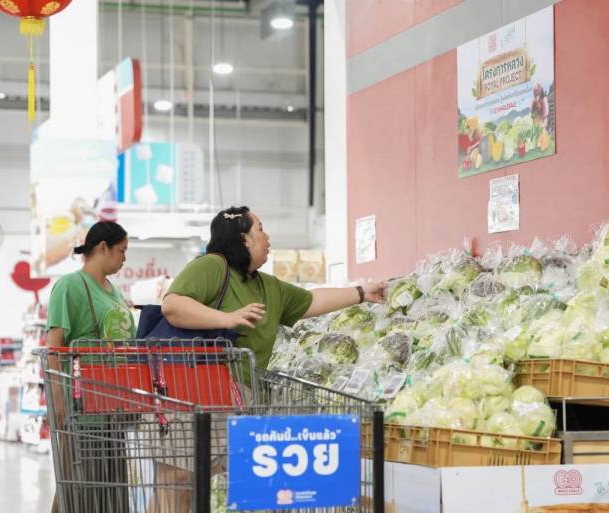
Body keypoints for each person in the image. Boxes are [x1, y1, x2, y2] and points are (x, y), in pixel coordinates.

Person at [148, 205, 386, 511]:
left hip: (234, 400)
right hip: (190, 391)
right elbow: (173, 305)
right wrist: (227, 318)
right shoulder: (213, 266)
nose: (267, 236)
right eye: (260, 229)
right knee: (177, 481)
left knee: (194, 484)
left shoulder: (267, 286)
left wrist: (362, 293)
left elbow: (312, 300)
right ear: (243, 238)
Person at [45, 220, 134, 513]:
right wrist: (58, 400)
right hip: (81, 405)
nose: (124, 258)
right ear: (103, 247)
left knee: (110, 489)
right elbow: (54, 346)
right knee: (78, 486)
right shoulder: (70, 286)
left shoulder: (114, 291)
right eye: (122, 250)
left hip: (113, 404)